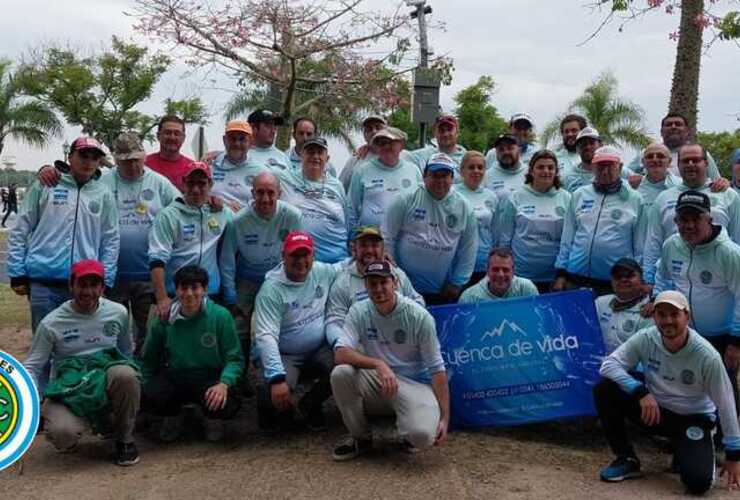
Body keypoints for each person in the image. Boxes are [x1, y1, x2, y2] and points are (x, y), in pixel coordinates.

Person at [593, 290, 740, 494]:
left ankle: (685, 449)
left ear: (687, 316)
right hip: (655, 412)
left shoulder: (707, 356)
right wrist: (640, 392)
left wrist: (734, 454)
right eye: (661, 314)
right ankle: (626, 458)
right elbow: (608, 365)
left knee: (698, 485)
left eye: (674, 314)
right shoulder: (646, 338)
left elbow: (726, 404)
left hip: (692, 418)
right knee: (605, 389)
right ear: (654, 317)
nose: (668, 321)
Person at [23, 259, 140, 466]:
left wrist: (128, 395)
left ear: (103, 288)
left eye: (94, 285)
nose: (88, 291)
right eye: (82, 285)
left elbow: (125, 352)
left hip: (105, 379)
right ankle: (85, 423)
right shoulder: (51, 323)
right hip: (70, 388)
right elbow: (32, 366)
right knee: (63, 435)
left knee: (126, 374)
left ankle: (125, 439)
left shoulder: (118, 312)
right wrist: (27, 401)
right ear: (71, 286)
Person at [330, 260, 449, 460]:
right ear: (366, 286)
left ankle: (406, 432)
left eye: (383, 282)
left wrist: (445, 418)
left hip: (413, 383)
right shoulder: (359, 311)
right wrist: (378, 364)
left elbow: (437, 369)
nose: (378, 289)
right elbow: (340, 353)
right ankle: (361, 438)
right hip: (378, 379)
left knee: (423, 436)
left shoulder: (419, 316)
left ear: (395, 283)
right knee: (341, 373)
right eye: (372, 284)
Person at [7, 136, 119, 333]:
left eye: (94, 157)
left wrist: (106, 280)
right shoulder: (46, 185)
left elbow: (110, 240)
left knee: (77, 345)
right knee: (44, 343)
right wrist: (17, 272)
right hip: (43, 281)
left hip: (84, 284)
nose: (88, 161)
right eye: (83, 155)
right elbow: (20, 229)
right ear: (70, 156)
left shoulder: (103, 193)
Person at [141, 265, 244, 442]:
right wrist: (144, 386)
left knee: (226, 400)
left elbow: (235, 359)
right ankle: (172, 417)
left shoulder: (220, 316)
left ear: (204, 290)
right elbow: (149, 358)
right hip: (176, 375)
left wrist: (224, 383)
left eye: (195, 287)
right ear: (176, 290)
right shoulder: (164, 320)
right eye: (184, 287)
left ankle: (212, 419)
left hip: (209, 376)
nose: (189, 294)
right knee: (151, 393)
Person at [654, 190, 740, 399]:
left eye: (696, 218)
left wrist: (736, 342)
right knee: (686, 386)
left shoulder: (729, 253)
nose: (689, 225)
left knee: (723, 392)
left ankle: (728, 432)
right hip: (684, 333)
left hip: (721, 338)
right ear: (675, 220)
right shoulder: (672, 245)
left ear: (709, 219)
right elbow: (663, 277)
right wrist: (657, 302)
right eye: (684, 219)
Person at [101, 132, 180, 355]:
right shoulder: (103, 182)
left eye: (136, 159)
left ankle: (143, 377)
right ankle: (116, 373)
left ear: (144, 156)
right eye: (126, 161)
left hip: (147, 275)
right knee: (113, 330)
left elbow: (181, 209)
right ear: (116, 160)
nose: (133, 166)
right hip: (113, 275)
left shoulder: (159, 183)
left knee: (148, 331)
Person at [253, 231, 338, 431]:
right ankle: (269, 410)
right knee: (272, 397)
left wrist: (377, 258)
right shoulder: (270, 290)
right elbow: (266, 336)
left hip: (318, 349)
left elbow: (349, 267)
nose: (301, 261)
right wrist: (277, 377)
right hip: (286, 354)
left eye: (305, 255)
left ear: (313, 256)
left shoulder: (323, 271)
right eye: (294, 255)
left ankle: (310, 404)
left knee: (346, 366)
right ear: (283, 257)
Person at [219, 171, 302, 364]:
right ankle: (238, 375)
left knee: (279, 325)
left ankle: (275, 370)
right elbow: (227, 258)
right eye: (260, 192)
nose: (265, 199)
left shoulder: (292, 216)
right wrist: (230, 292)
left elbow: (298, 252)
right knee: (238, 328)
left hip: (278, 278)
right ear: (252, 193)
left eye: (271, 193)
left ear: (279, 193)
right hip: (246, 278)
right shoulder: (238, 220)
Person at [383, 153, 478, 305]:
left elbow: (469, 248)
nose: (440, 181)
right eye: (435, 175)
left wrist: (457, 282)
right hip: (404, 287)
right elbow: (387, 237)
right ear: (425, 176)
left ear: (452, 179)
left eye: (445, 176)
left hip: (443, 289)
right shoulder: (406, 199)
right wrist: (394, 275)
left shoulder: (464, 207)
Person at [554, 146, 646, 296]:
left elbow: (640, 245)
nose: (605, 171)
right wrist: (561, 274)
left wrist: (640, 278)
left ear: (620, 167)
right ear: (593, 168)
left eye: (610, 166)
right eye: (600, 166)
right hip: (575, 279)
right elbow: (567, 237)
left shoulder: (634, 199)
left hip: (614, 283)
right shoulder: (579, 195)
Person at [643, 143, 740, 284]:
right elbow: (653, 242)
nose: (690, 164)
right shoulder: (663, 197)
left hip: (718, 281)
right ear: (678, 165)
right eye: (685, 161)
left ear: (706, 163)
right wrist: (648, 279)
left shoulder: (727, 195)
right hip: (674, 281)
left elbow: (737, 239)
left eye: (695, 160)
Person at [149, 161, 233, 319]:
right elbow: (156, 260)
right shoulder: (168, 216)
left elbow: (244, 223)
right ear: (183, 183)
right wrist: (161, 298)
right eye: (191, 183)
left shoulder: (221, 212)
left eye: (201, 184)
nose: (196, 189)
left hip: (211, 293)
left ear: (210, 184)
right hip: (176, 293)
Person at [325, 226, 424, 347]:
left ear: (383, 249)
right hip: (361, 348)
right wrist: (343, 346)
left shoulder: (396, 273)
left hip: (400, 343)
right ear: (354, 249)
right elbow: (334, 322)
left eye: (374, 245)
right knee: (342, 367)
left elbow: (417, 301)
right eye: (364, 245)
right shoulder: (343, 282)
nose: (369, 250)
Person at [498, 149, 571, 291]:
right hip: (521, 275)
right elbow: (505, 239)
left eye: (550, 168)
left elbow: (569, 242)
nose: (546, 171)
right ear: (531, 171)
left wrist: (562, 275)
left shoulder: (567, 198)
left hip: (553, 277)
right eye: (541, 167)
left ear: (556, 172)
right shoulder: (516, 197)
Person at [276, 136, 350, 263]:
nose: (315, 156)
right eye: (310, 152)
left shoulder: (337, 186)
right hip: (298, 260)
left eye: (320, 152)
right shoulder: (284, 178)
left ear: (327, 158)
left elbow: (347, 220)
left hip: (335, 259)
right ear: (301, 156)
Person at [348, 127, 421, 229]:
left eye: (390, 142)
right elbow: (351, 208)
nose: (386, 146)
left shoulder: (414, 170)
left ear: (401, 145)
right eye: (381, 143)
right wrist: (352, 237)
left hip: (405, 239)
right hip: (372, 240)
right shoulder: (362, 171)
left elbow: (422, 204)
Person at [627, 112, 722, 179]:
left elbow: (717, 181)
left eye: (678, 124)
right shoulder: (647, 153)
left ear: (687, 132)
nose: (673, 126)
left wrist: (723, 183)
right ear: (661, 132)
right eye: (669, 124)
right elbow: (625, 175)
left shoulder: (699, 154)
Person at [453, 151, 500, 285]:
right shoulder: (452, 193)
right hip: (457, 261)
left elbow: (495, 231)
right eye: (471, 167)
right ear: (462, 171)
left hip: (483, 262)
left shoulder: (491, 196)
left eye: (480, 167)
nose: (476, 171)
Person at [594, 259, 653, 355]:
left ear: (642, 279)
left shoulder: (649, 311)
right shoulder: (600, 303)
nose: (623, 279)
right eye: (618, 276)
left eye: (630, 275)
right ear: (612, 281)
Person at [209, 119, 269, 211]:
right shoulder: (211, 166)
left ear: (251, 142)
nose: (237, 143)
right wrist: (224, 206)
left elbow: (268, 204)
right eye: (232, 139)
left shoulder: (261, 172)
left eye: (242, 139)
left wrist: (245, 210)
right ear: (224, 140)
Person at [458, 248, 538, 303]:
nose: (500, 275)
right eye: (495, 269)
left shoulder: (526, 289)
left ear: (513, 271)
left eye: (505, 270)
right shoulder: (469, 297)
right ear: (487, 270)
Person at [404, 114, 467, 180]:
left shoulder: (467, 160)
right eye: (441, 130)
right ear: (435, 133)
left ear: (457, 133)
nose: (445, 134)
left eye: (449, 130)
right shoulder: (419, 157)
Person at [144, 115, 194, 191]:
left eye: (177, 133)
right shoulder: (144, 165)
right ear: (158, 136)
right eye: (167, 133)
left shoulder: (192, 169)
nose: (172, 137)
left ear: (183, 138)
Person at [339, 115, 386, 191]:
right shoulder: (356, 159)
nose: (374, 131)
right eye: (369, 129)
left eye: (378, 127)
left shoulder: (399, 156)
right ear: (364, 135)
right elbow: (340, 189)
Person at [634, 142, 679, 210]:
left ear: (669, 161)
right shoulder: (635, 189)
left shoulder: (680, 186)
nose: (655, 160)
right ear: (643, 162)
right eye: (650, 157)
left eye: (660, 156)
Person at [484, 133, 528, 202]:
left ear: (519, 150)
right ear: (496, 152)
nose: (506, 152)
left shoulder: (530, 173)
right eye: (501, 149)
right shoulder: (486, 177)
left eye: (510, 148)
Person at [562, 127, 602, 193]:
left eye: (592, 143)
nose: (588, 147)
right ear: (577, 149)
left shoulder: (614, 171)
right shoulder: (568, 178)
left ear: (600, 145)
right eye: (583, 144)